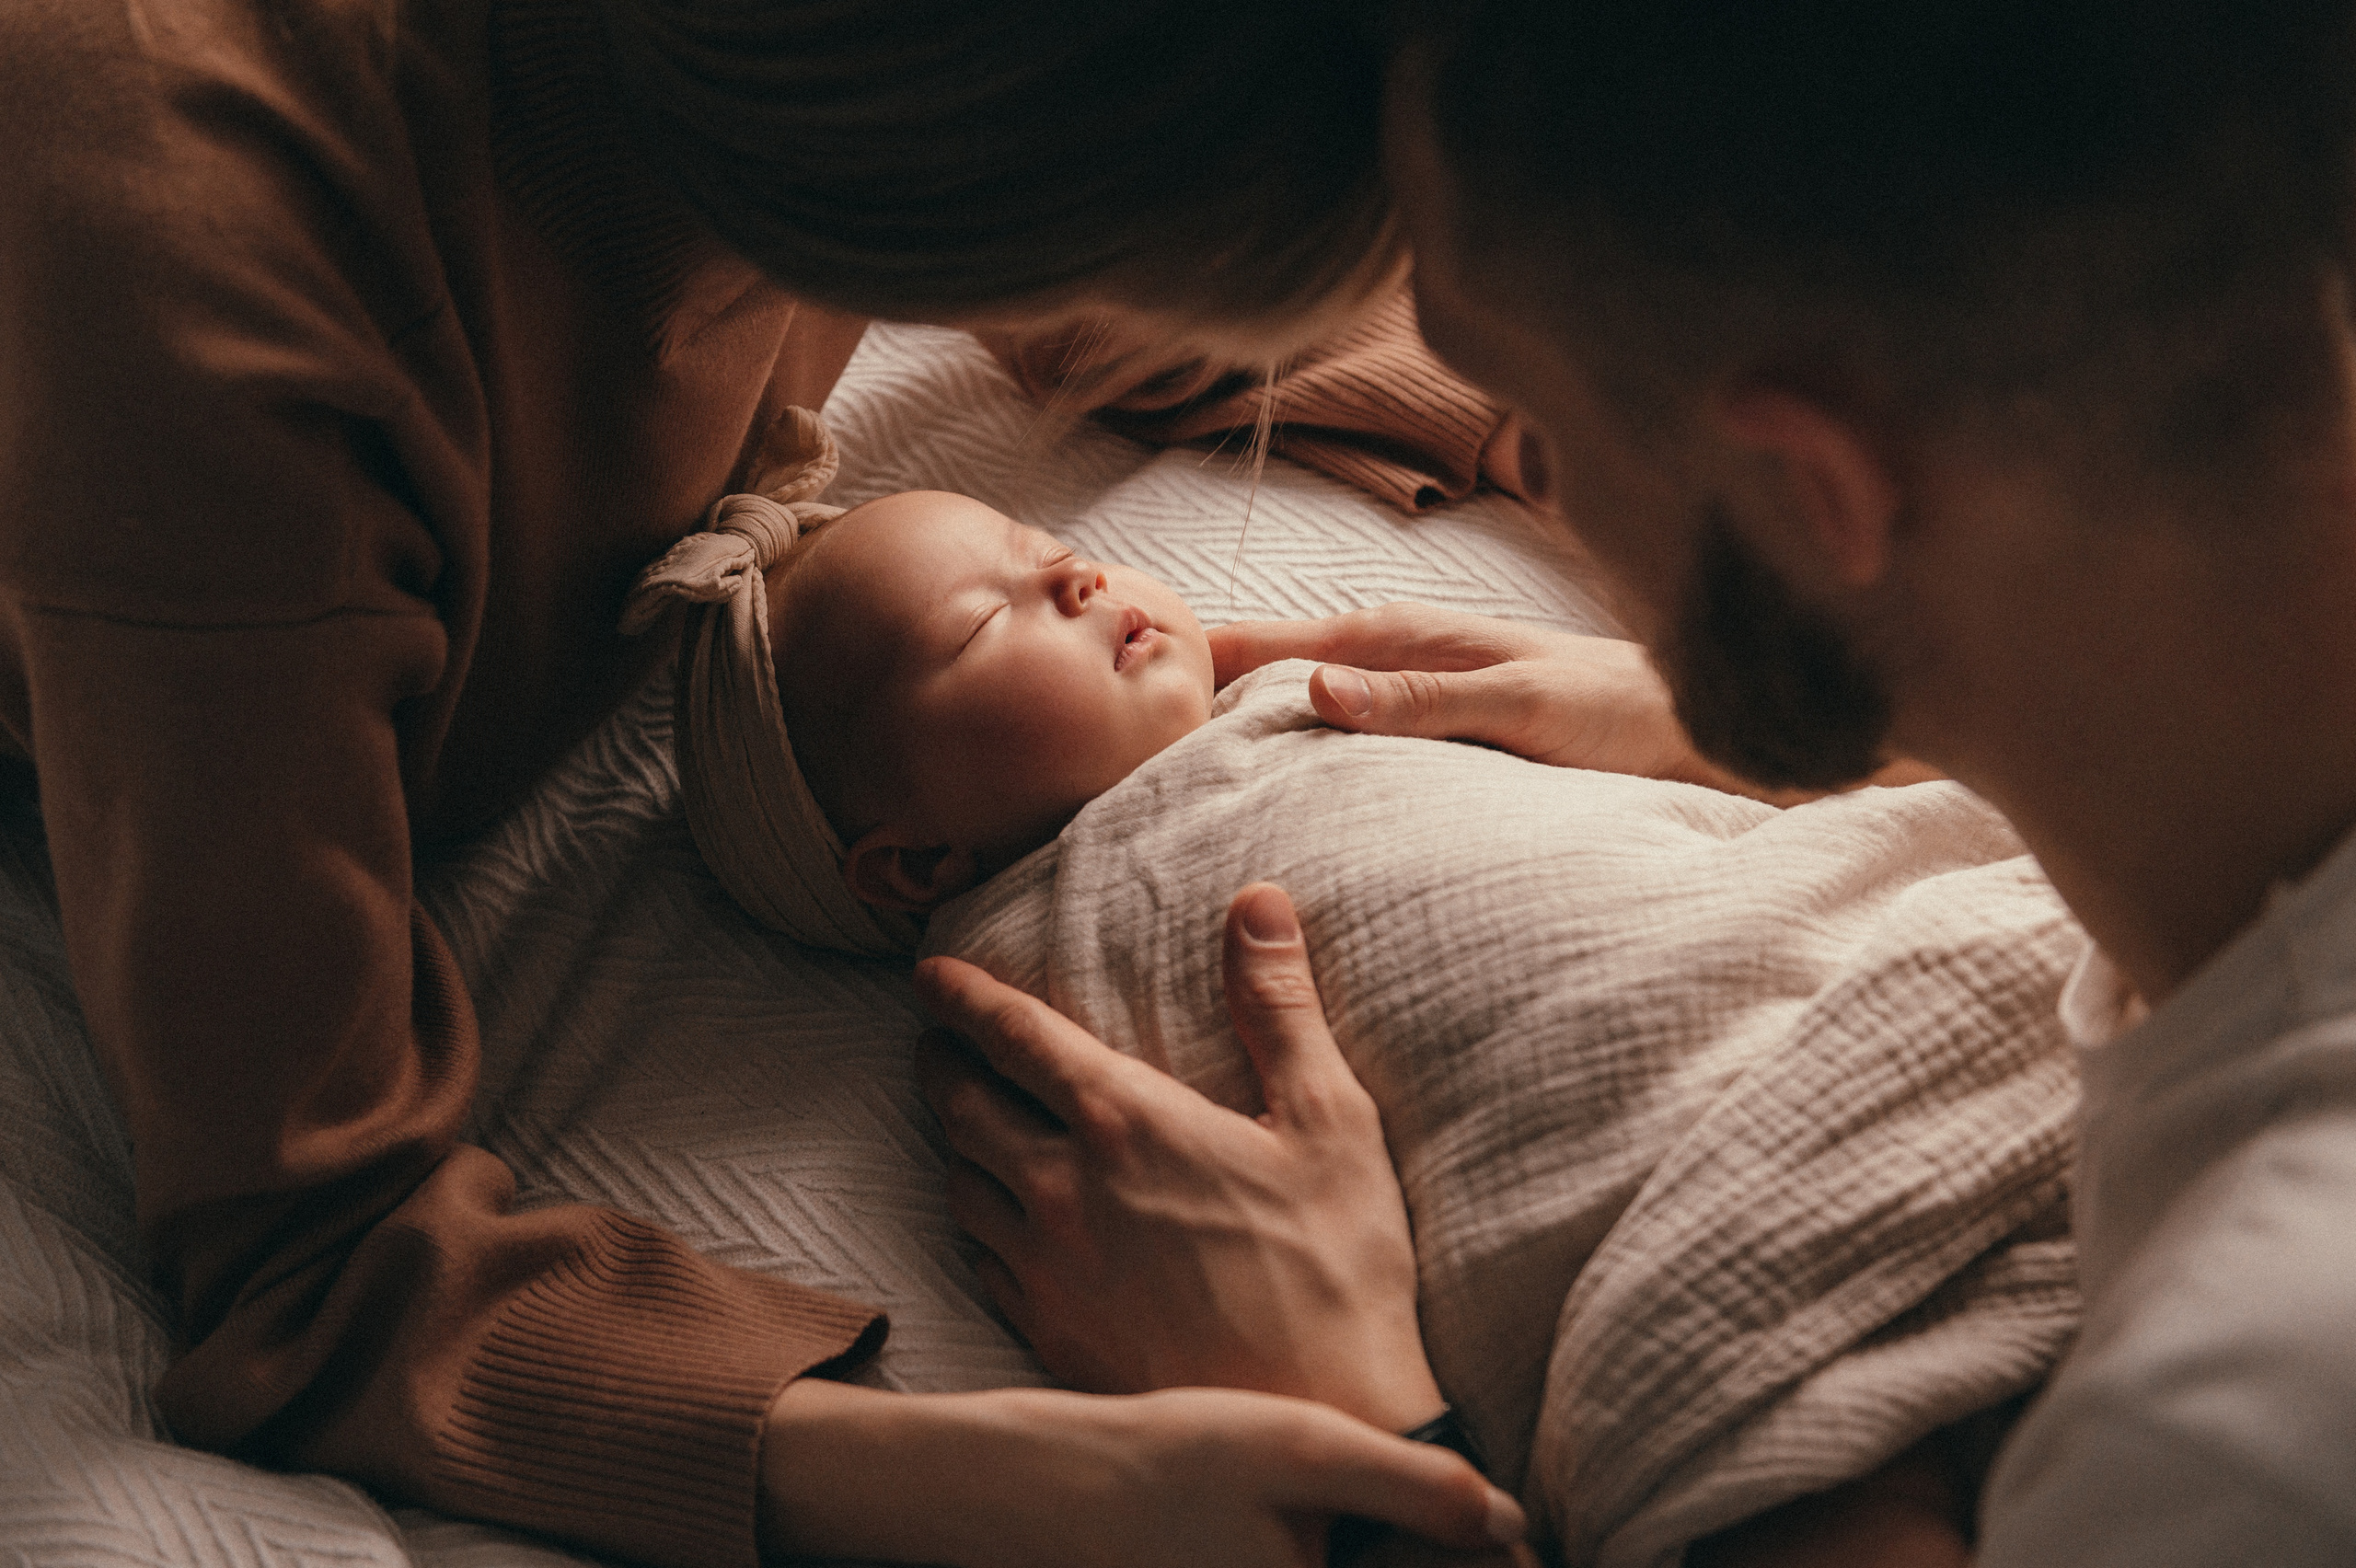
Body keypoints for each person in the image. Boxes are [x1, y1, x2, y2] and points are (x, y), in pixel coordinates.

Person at [0, 0, 1538, 1562]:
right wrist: (1046, 1479)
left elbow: (1086, 266)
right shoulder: (212, 301)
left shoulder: (850, 100)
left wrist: (1565, 410)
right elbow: (308, 1263)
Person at [914, 2, 2356, 1563]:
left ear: (1817, 496)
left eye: (1535, 431)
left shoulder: (2224, 1432)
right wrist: (1822, 703)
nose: (1538, 483)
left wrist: (1366, 1450)